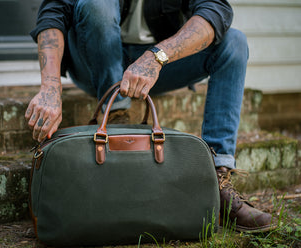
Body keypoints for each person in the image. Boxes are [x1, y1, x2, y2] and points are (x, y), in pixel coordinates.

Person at [25, 0, 275, 233]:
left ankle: (217, 180)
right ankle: (117, 117)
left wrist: (157, 56)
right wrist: (50, 86)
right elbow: (54, 11)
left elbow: (215, 10)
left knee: (234, 41)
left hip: (157, 62)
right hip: (92, 60)